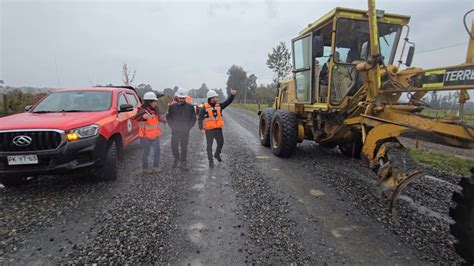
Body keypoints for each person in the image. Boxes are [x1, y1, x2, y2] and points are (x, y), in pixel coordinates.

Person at [198, 89, 237, 168]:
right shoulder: (204, 107)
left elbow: (227, 102)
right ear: (211, 98)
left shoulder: (219, 106)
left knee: (221, 143)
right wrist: (201, 128)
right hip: (209, 131)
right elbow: (200, 118)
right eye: (215, 97)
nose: (217, 99)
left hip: (218, 130)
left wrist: (232, 95)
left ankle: (217, 154)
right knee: (209, 146)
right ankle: (211, 162)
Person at [135, 91, 166, 174]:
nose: (155, 103)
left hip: (155, 135)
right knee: (146, 152)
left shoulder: (154, 110)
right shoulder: (142, 110)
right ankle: (145, 168)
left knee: (157, 151)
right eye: (154, 101)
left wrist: (162, 120)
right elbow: (137, 118)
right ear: (149, 102)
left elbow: (157, 118)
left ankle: (155, 167)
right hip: (145, 136)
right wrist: (143, 117)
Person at [166, 88, 197, 170]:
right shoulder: (172, 107)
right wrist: (172, 126)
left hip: (185, 131)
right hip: (175, 131)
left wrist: (188, 127)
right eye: (180, 98)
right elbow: (168, 118)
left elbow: (193, 118)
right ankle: (177, 157)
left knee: (184, 147)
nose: (182, 99)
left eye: (183, 98)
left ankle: (183, 162)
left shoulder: (190, 107)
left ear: (185, 98)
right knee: (174, 146)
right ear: (177, 97)